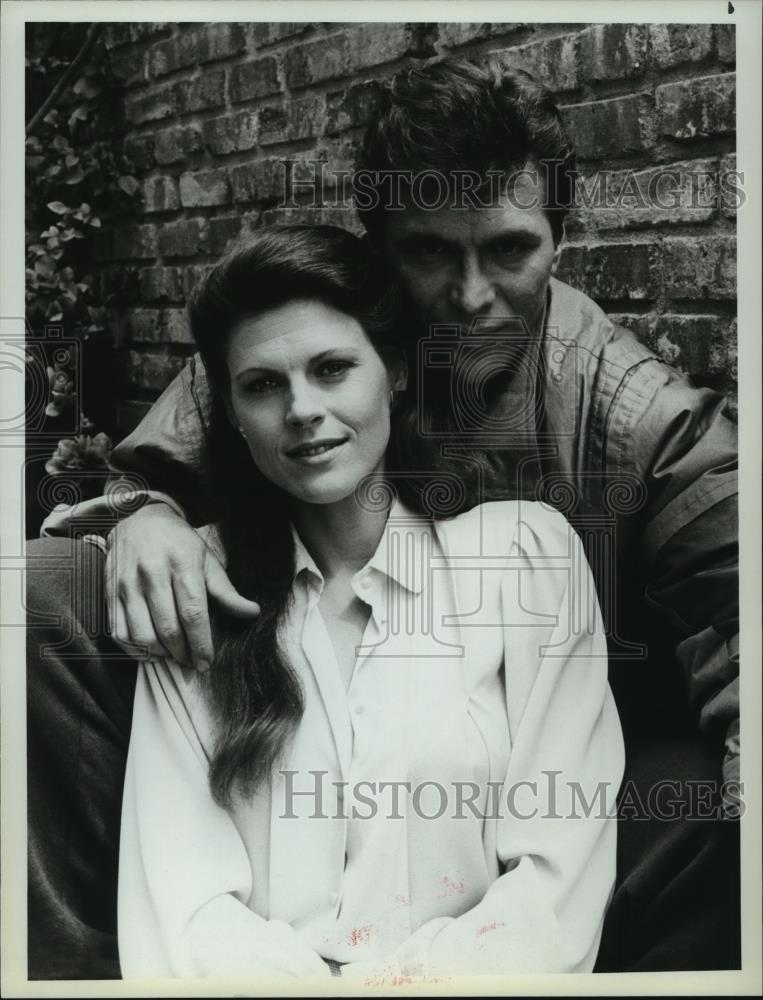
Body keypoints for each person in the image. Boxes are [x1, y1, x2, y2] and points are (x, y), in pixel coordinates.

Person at [27, 57, 739, 977]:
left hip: (556, 748)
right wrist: (145, 515)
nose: (473, 295)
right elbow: (154, 465)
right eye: (431, 252)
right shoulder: (307, 353)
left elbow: (739, 605)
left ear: (558, 241)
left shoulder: (637, 414)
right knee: (46, 596)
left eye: (510, 249)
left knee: (702, 801)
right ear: (379, 250)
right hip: (315, 688)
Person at [117, 224, 623, 978]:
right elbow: (182, 912)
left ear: (392, 372)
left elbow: (556, 889)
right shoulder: (199, 592)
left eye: (331, 369)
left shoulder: (525, 561)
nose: (300, 410)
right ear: (227, 409)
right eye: (261, 385)